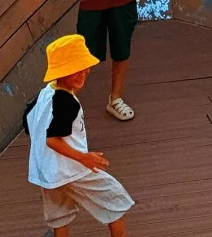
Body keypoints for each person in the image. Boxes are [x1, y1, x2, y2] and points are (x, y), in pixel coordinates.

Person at [24, 34, 134, 237]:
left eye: (85, 67)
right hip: (72, 169)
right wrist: (84, 157)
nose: (84, 72)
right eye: (76, 70)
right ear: (62, 72)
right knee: (115, 201)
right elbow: (52, 139)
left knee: (59, 213)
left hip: (47, 171)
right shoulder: (66, 103)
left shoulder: (46, 92)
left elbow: (29, 121)